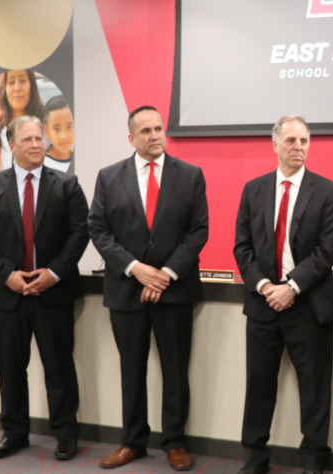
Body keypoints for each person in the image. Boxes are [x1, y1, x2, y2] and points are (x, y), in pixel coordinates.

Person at [88, 105, 209, 471]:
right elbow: (99, 230)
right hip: (127, 290)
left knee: (175, 370)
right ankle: (133, 442)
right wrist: (137, 269)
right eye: (146, 131)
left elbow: (198, 231)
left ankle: (175, 442)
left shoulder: (189, 175)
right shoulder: (109, 177)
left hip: (174, 290)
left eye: (159, 129)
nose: (155, 135)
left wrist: (166, 273)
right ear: (131, 138)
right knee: (131, 371)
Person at [0, 115, 90, 461]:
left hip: (53, 294)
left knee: (59, 368)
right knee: (9, 368)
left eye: (40, 138)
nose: (37, 145)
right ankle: (15, 433)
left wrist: (54, 272)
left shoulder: (67, 184)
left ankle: (65, 434)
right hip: (7, 296)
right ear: (12, 145)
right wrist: (9, 275)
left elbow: (81, 233)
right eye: (29, 140)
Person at [233, 115, 333, 474]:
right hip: (263, 304)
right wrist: (266, 287)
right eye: (292, 140)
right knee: (259, 386)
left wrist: (291, 287)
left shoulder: (327, 191)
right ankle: (256, 457)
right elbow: (243, 247)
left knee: (314, 390)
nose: (299, 147)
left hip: (308, 306)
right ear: (275, 144)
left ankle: (313, 461)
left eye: (305, 141)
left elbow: (327, 251)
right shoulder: (253, 189)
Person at [0, 69, 44, 170]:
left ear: (31, 85)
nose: (17, 88)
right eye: (11, 82)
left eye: (22, 80)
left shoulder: (46, 121)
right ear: (4, 89)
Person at [42, 95, 74, 173]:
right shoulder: (41, 166)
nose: (64, 136)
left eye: (69, 127)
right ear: (47, 131)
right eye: (57, 129)